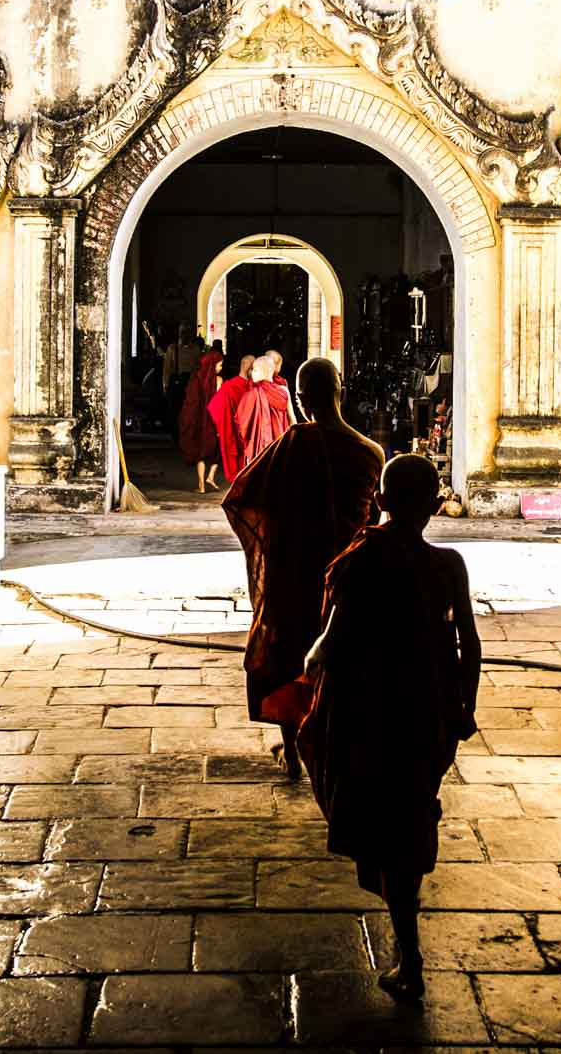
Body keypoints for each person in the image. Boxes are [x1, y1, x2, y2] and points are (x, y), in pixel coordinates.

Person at [297, 453, 481, 1001]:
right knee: (412, 812)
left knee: (385, 823)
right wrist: (465, 707)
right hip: (429, 712)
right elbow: (469, 645)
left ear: (378, 503)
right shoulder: (450, 565)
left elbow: (329, 640)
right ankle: (408, 940)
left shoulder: (361, 558)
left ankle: (411, 953)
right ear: (435, 506)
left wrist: (311, 659)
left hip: (374, 712)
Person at [220, 358, 384, 782]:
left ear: (301, 399)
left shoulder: (293, 444)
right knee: (345, 660)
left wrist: (272, 541)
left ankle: (293, 751)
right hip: (350, 580)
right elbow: (375, 520)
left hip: (296, 573)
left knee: (288, 656)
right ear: (340, 391)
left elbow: (241, 497)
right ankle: (338, 742)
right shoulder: (371, 453)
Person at [177, 339, 225, 492]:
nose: (221, 368)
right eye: (220, 365)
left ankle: (201, 485)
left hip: (199, 420)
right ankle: (210, 477)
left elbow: (190, 402)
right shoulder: (219, 381)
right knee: (216, 452)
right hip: (213, 420)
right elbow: (220, 402)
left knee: (200, 454)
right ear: (212, 365)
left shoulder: (196, 379)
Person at [233, 353, 293, 467]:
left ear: (266, 371)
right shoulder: (283, 390)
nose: (252, 373)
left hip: (258, 445)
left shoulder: (251, 394)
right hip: (280, 442)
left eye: (255, 370)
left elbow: (242, 423)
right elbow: (293, 420)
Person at [208, 351, 257, 483]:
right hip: (247, 431)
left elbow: (214, 409)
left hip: (234, 431)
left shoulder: (228, 386)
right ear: (250, 368)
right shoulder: (253, 387)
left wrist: (221, 428)